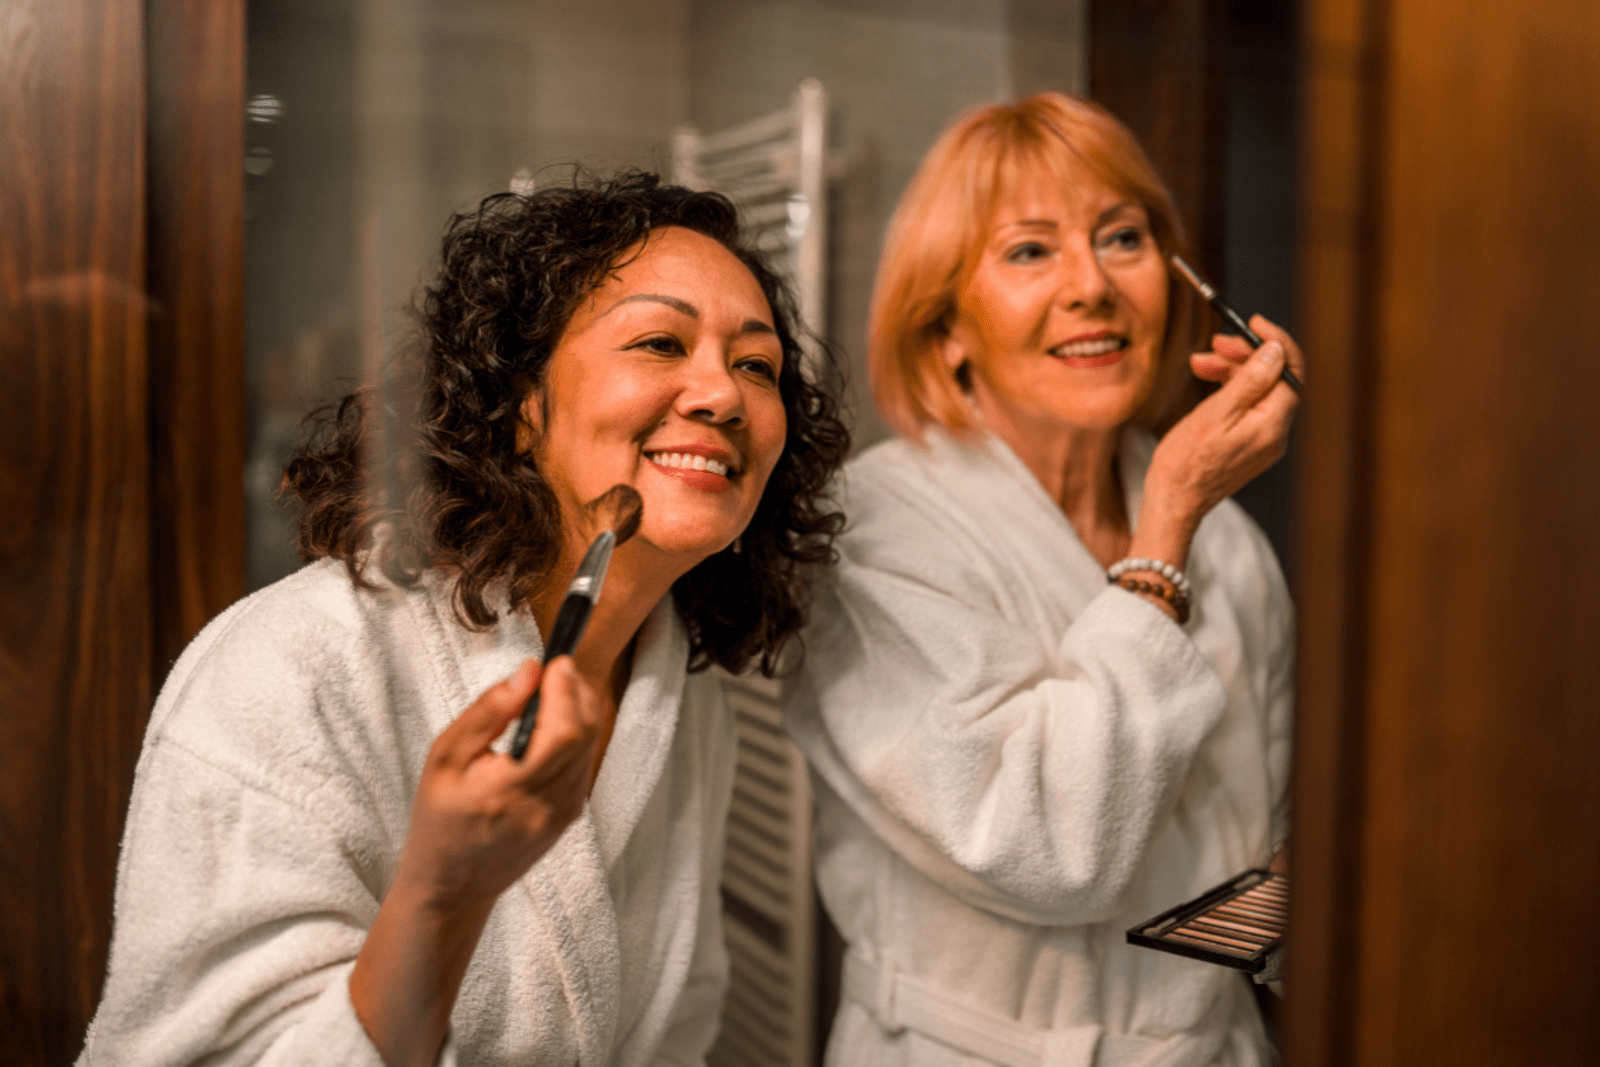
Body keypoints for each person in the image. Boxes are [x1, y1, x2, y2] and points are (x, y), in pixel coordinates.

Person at [78, 171, 849, 1067]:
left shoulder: (678, 700)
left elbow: (679, 1024)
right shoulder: (289, 670)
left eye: (757, 364)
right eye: (660, 343)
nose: (722, 394)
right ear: (521, 406)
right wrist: (444, 895)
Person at [783, 94, 1301, 1067]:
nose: (1091, 286)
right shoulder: (871, 533)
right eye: (1030, 251)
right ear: (945, 329)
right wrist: (1167, 526)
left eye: (1122, 237)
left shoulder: (1226, 538)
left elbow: (1264, 844)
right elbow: (1048, 846)